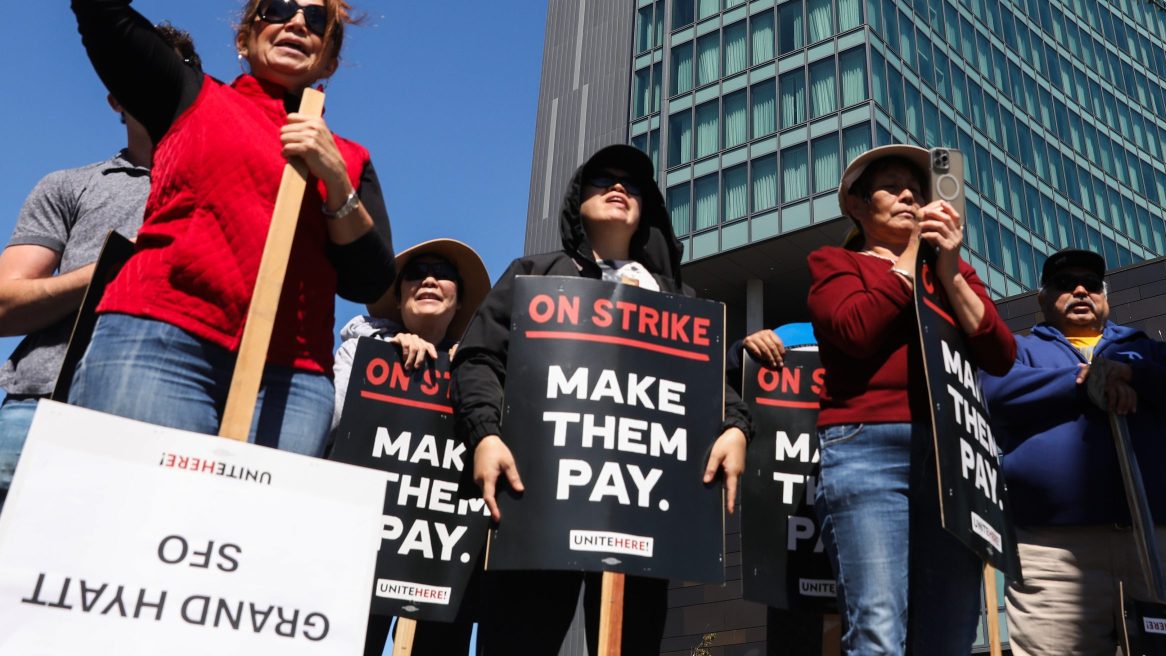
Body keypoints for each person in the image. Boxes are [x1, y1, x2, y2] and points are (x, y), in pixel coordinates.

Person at [66, 0, 394, 457]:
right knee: (137, 508)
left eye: (317, 21)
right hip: (160, 339)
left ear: (328, 62)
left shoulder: (348, 157)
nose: (297, 22)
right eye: (277, 9)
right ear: (244, 39)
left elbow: (369, 281)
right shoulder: (190, 97)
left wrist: (333, 178)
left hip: (293, 381)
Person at [452, 144, 751, 656]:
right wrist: (486, 435)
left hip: (642, 512)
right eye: (602, 179)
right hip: (537, 497)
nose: (618, 187)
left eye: (632, 183)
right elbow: (478, 358)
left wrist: (735, 426)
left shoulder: (679, 301)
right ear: (576, 201)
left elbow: (708, 385)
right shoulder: (535, 276)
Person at [807, 144, 1015, 656]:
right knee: (878, 629)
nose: (908, 196)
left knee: (950, 634)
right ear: (856, 205)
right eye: (892, 187)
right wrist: (912, 257)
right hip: (868, 449)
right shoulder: (837, 263)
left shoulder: (953, 274)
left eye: (917, 190)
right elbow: (855, 330)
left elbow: (1000, 353)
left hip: (951, 458)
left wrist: (948, 271)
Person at [980, 248, 1166, 656]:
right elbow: (994, 394)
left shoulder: (1146, 349)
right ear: (1042, 298)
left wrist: (1134, 374)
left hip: (1162, 538)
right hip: (1051, 552)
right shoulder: (1017, 350)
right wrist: (1087, 381)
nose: (1079, 291)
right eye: (1064, 284)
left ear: (1105, 297)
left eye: (1091, 284)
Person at [0, 27, 200, 510]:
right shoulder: (69, 186)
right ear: (115, 99)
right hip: (44, 409)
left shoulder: (234, 195)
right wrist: (110, 270)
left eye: (175, 71)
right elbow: (5, 304)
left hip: (175, 428)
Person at [331, 239, 490, 656]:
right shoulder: (359, 352)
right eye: (416, 275)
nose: (430, 280)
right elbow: (331, 424)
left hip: (443, 553)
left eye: (444, 274)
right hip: (358, 548)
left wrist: (468, 372)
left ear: (459, 302)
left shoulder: (480, 372)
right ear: (399, 298)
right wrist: (383, 354)